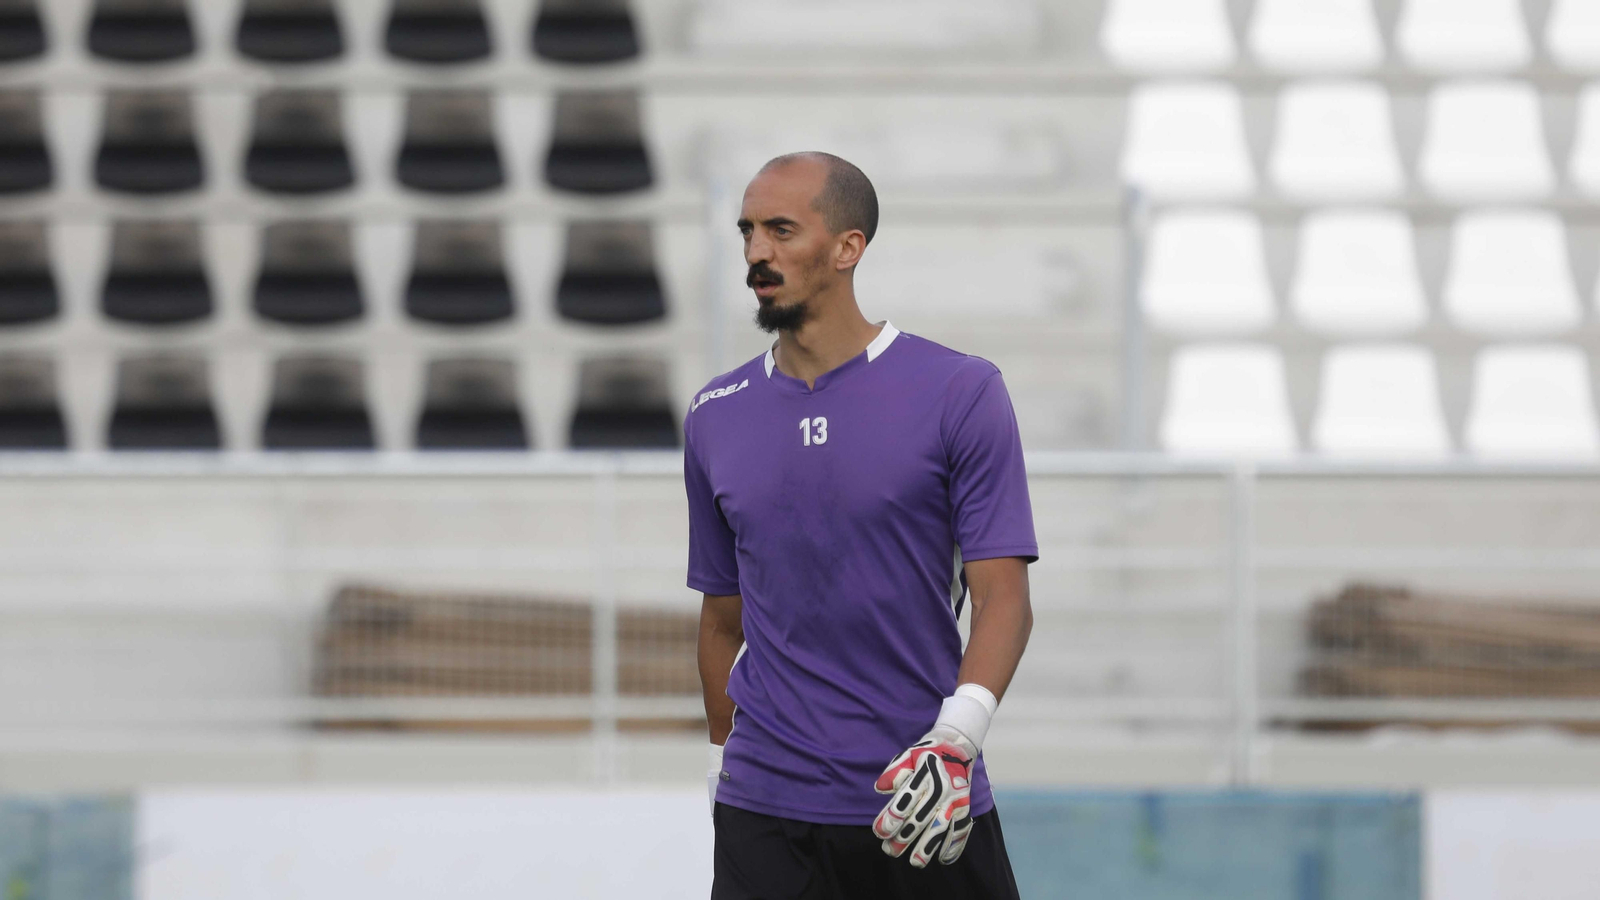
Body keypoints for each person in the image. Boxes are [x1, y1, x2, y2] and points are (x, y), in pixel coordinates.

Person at [686, 152, 1036, 900]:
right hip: (763, 814)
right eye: (747, 231)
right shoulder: (713, 415)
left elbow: (1003, 598)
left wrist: (956, 741)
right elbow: (721, 622)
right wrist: (723, 770)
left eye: (781, 230)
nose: (756, 252)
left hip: (920, 801)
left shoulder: (959, 392)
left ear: (849, 248)